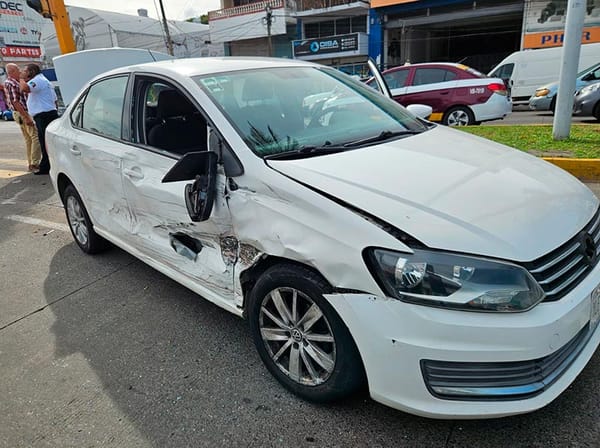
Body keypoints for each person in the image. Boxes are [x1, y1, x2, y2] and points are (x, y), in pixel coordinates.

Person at [19, 64, 58, 175]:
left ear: (31, 71)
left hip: (44, 116)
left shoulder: (38, 80)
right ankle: (46, 165)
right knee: (45, 142)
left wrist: (21, 79)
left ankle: (46, 167)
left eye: (25, 70)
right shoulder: (44, 81)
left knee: (45, 143)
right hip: (47, 114)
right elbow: (54, 100)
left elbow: (24, 89)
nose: (23, 72)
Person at [3, 63, 42, 172]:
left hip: (21, 112)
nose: (20, 71)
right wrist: (26, 117)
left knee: (29, 138)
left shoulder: (16, 81)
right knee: (35, 136)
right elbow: (15, 102)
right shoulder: (10, 83)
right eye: (17, 69)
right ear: (11, 72)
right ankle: (35, 163)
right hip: (22, 112)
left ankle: (31, 163)